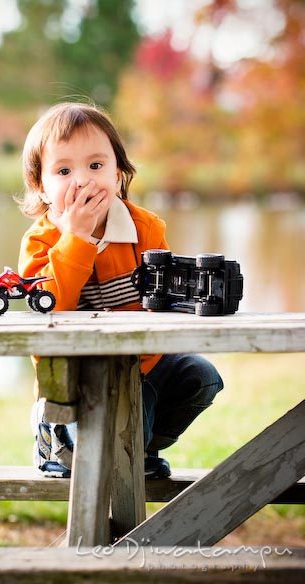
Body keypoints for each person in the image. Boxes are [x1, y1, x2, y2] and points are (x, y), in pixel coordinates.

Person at [18, 101, 223, 479]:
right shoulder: (41, 241)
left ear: (118, 174)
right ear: (42, 188)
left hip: (139, 364)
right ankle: (56, 437)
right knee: (120, 421)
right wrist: (75, 237)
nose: (82, 181)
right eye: (64, 170)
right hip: (75, 377)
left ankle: (138, 448)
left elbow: (161, 301)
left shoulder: (144, 229)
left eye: (96, 166)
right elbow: (49, 306)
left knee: (201, 376)